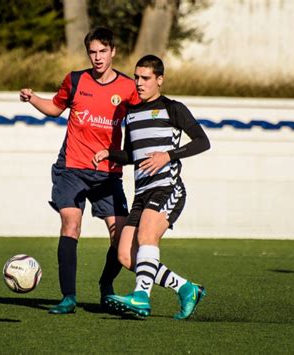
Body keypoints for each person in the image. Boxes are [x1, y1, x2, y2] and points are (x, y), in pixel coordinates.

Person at [20, 27, 139, 314]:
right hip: (71, 168)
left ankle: (105, 286)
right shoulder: (75, 80)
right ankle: (68, 297)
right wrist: (33, 98)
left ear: (113, 52)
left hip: (108, 172)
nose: (97, 57)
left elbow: (139, 123)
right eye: (92, 52)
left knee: (120, 234)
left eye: (102, 51)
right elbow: (55, 108)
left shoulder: (128, 88)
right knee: (71, 225)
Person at [92, 54, 210, 319]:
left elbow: (203, 141)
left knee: (147, 236)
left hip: (168, 188)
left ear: (159, 80)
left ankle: (141, 297)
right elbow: (134, 154)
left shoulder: (173, 108)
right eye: (136, 77)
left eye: (145, 78)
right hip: (142, 193)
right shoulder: (131, 113)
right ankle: (185, 288)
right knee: (124, 255)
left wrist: (168, 155)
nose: (139, 83)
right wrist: (109, 153)